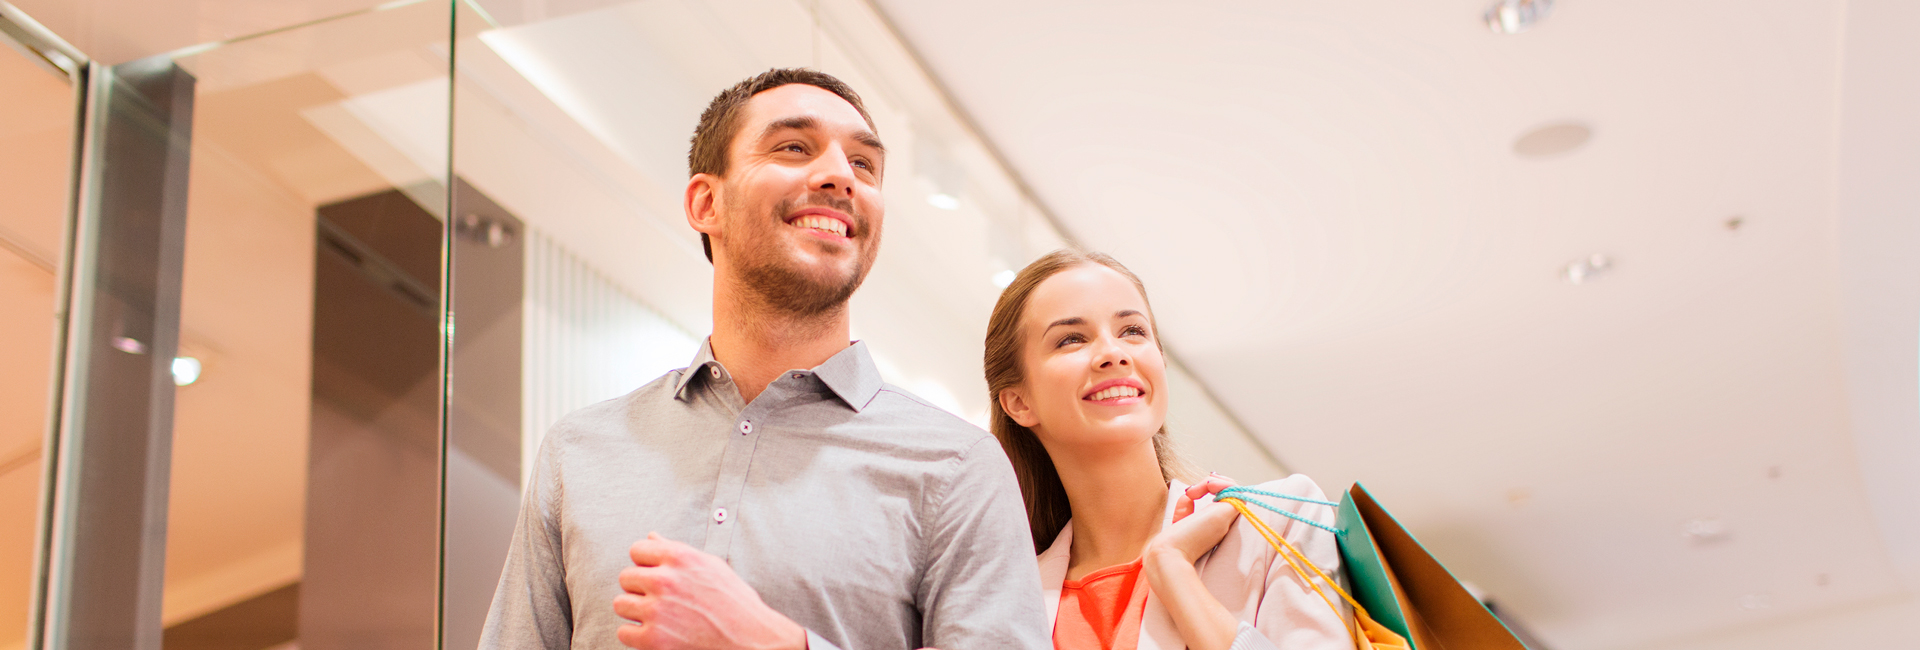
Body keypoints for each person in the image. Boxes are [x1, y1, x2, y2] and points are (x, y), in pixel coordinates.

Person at [478, 68, 1049, 650]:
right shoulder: (578, 455)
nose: (839, 176)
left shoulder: (958, 468)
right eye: (794, 147)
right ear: (707, 203)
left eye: (863, 164)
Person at [982, 250, 1352, 650]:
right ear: (1019, 402)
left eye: (1133, 331)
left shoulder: (1281, 522)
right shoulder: (1002, 609)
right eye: (1071, 339)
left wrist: (1172, 569)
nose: (1114, 352)